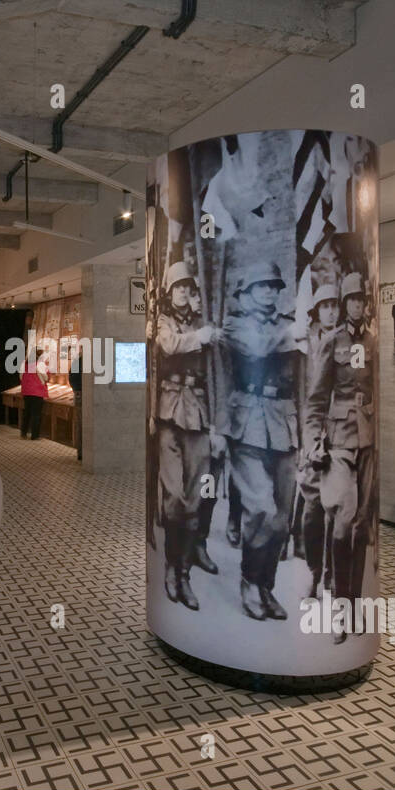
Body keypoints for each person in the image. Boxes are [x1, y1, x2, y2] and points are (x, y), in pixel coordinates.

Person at [222, 260, 300, 621]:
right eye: (262, 286)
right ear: (246, 292)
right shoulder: (234, 324)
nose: (270, 291)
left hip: (284, 425)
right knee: (261, 510)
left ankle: (266, 586)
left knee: (282, 519)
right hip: (248, 423)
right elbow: (258, 349)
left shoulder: (287, 325)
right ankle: (249, 582)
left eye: (274, 285)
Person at [308, 273, 377, 641]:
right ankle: (338, 609)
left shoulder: (374, 341)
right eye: (349, 300)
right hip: (339, 440)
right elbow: (317, 399)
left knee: (362, 524)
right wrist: (312, 442)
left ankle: (354, 607)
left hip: (369, 441)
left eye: (359, 300)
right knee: (343, 520)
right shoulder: (332, 342)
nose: (354, 305)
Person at [154, 263, 216, 609]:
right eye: (177, 287)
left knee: (194, 501)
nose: (182, 292)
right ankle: (170, 570)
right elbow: (168, 346)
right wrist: (200, 337)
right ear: (169, 291)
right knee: (173, 498)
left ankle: (183, 573)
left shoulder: (198, 320)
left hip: (197, 415)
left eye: (186, 287)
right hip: (169, 413)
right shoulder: (165, 322)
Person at [298, 281, 339, 600]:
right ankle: (314, 571)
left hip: (339, 434)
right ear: (316, 311)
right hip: (312, 436)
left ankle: (331, 574)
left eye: (334, 306)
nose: (330, 311)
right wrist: (307, 441)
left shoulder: (345, 344)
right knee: (312, 509)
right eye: (325, 306)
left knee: (337, 510)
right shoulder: (306, 345)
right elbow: (303, 396)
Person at [20, 342, 49, 439]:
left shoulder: (25, 364)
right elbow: (45, 377)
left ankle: (23, 433)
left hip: (26, 391)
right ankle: (34, 436)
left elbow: (21, 376)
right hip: (37, 391)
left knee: (27, 413)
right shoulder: (40, 364)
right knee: (36, 414)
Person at [69, 345, 83, 461]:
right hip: (82, 394)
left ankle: (81, 452)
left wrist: (76, 390)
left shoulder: (77, 362)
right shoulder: (82, 362)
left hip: (79, 394)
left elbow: (72, 378)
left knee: (80, 423)